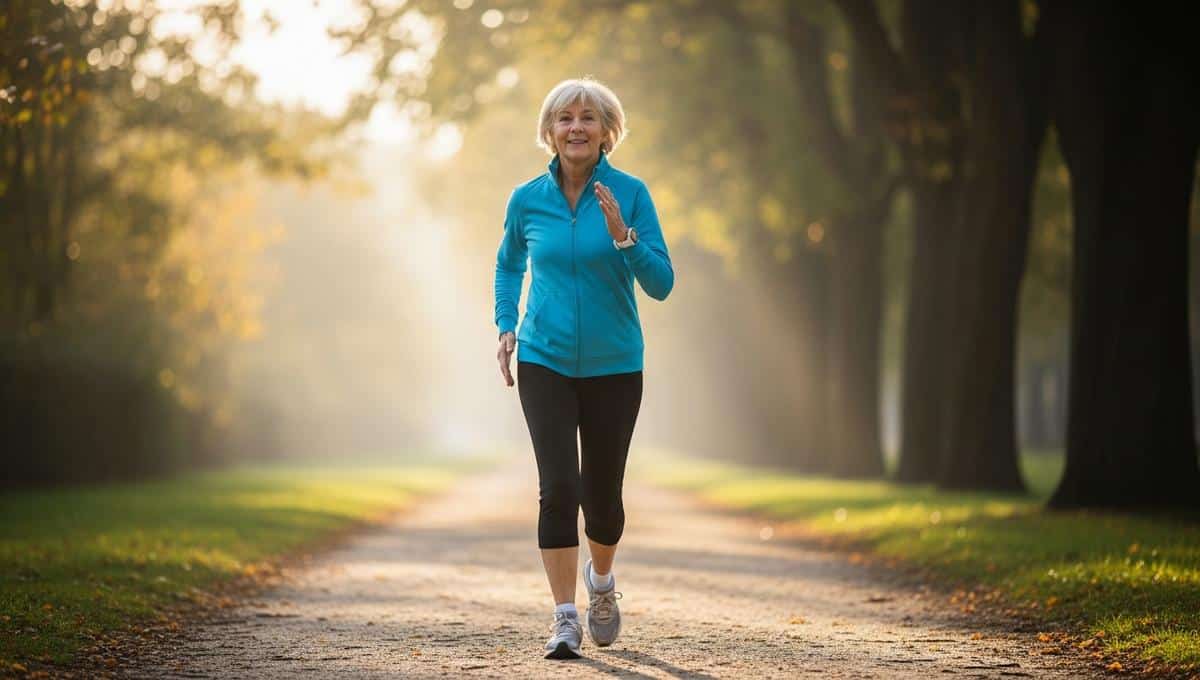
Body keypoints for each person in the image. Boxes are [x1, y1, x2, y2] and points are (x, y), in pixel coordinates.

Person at [493, 77, 674, 660]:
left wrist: (626, 238)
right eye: (565, 117)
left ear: (607, 132)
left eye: (588, 118)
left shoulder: (632, 193)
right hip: (544, 357)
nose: (576, 127)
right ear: (549, 131)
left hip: (615, 366)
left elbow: (663, 284)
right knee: (558, 488)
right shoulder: (526, 199)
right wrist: (506, 325)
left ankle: (600, 584)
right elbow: (508, 266)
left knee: (602, 497)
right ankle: (565, 617)